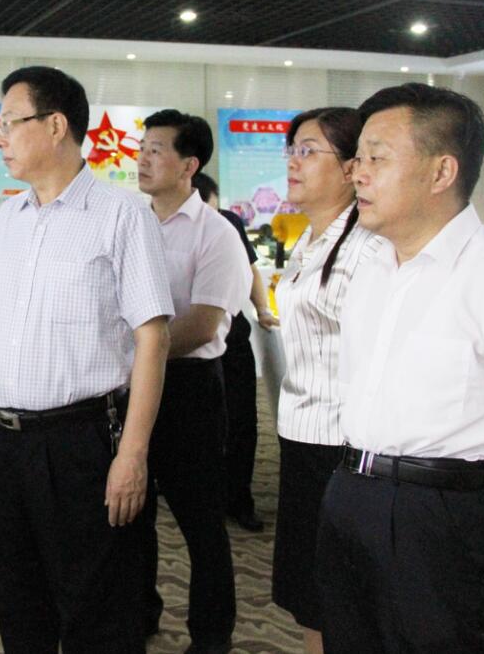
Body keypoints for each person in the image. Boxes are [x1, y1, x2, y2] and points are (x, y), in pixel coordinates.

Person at [318, 84, 484, 653]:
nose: (356, 173)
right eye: (357, 158)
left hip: (447, 516)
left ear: (442, 171)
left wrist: (469, 505)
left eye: (376, 158)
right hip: (351, 493)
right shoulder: (372, 269)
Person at [0, 66, 173, 653]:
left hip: (82, 443)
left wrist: (133, 454)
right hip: (8, 443)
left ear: (55, 126)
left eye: (9, 123)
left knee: (96, 610)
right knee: (20, 602)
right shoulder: (9, 218)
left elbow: (153, 339)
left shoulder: (121, 215)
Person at [269, 108, 385, 654]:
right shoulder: (312, 240)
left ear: (349, 168)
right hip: (302, 437)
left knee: (340, 600)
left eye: (309, 150)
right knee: (310, 596)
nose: (294, 162)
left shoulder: (369, 247)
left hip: (343, 448)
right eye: (291, 149)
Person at [137, 111, 251, 653]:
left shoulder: (217, 232)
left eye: (156, 150)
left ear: (189, 165)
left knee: (201, 522)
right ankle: (140, 614)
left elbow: (203, 324)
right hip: (130, 388)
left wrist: (132, 356)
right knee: (129, 514)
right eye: (142, 148)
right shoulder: (129, 221)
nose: (142, 158)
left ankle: (212, 635)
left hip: (188, 388)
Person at [192, 171, 278, 532]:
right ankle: (203, 496)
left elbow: (252, 269)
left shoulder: (228, 223)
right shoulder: (157, 225)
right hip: (188, 342)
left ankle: (239, 499)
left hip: (231, 334)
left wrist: (263, 310)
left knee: (242, 420)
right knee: (198, 425)